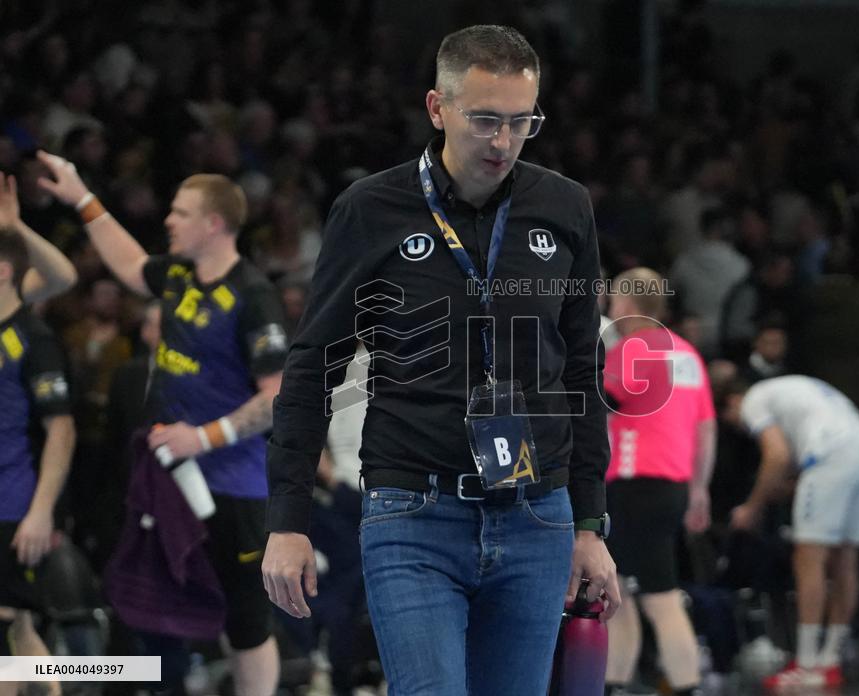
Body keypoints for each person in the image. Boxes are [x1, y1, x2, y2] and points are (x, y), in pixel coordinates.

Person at [263, 25, 620, 696]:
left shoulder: (564, 206)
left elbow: (581, 370)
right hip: (413, 513)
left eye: (522, 122)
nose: (503, 142)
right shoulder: (371, 209)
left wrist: (590, 522)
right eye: (485, 120)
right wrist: (287, 521)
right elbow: (315, 364)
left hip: (537, 517)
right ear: (438, 108)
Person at [35, 152, 288, 696]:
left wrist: (203, 438)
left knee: (245, 622)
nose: (168, 221)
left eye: (180, 213)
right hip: (167, 477)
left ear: (212, 224)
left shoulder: (254, 295)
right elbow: (128, 265)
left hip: (234, 486)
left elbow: (277, 396)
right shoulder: (176, 275)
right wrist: (82, 197)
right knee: (156, 601)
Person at [721, 375, 859, 689]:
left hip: (829, 454)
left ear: (732, 401)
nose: (740, 428)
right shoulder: (796, 389)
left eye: (730, 419)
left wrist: (751, 508)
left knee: (809, 557)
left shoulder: (754, 398)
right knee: (845, 559)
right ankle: (829, 661)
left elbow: (776, 456)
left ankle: (807, 664)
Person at [601, 267, 717, 696]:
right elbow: (706, 429)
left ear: (628, 305)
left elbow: (593, 410)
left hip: (634, 485)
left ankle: (686, 687)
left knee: (657, 597)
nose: (609, 306)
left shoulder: (633, 347)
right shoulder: (686, 353)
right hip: (673, 486)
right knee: (621, 596)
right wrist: (700, 489)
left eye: (613, 299)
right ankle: (614, 685)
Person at [0, 173, 78, 696]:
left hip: (12, 504)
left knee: (10, 630)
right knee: (20, 631)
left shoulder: (32, 336)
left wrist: (40, 511)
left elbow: (63, 430)